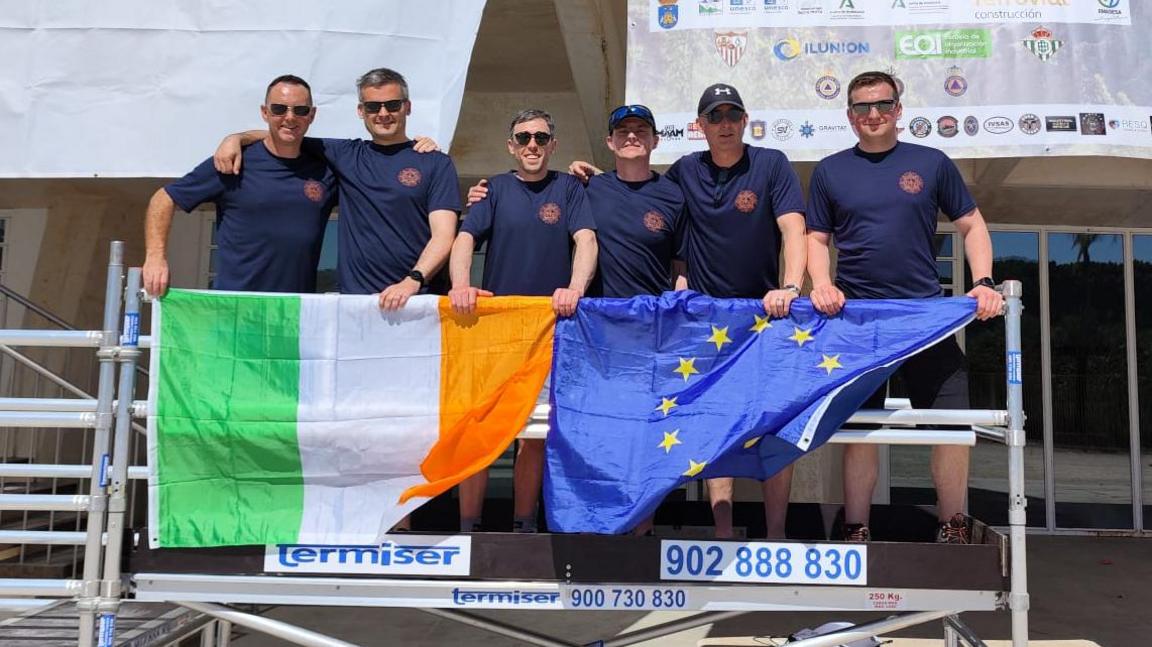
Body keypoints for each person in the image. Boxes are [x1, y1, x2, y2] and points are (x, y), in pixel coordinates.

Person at [574, 84, 806, 540]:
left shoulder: (771, 164)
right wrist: (587, 176)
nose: (724, 124)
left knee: (775, 424)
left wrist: (791, 286)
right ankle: (722, 529)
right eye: (714, 117)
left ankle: (777, 534)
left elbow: (793, 227)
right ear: (699, 126)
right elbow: (637, 189)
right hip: (703, 321)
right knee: (714, 423)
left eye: (731, 115)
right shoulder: (683, 173)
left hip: (766, 319)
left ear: (744, 120)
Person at [805, 70, 1004, 544]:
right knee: (858, 430)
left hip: (924, 319)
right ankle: (856, 527)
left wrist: (983, 282)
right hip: (858, 324)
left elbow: (973, 226)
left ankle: (952, 524)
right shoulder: (830, 171)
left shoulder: (932, 163)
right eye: (861, 107)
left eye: (881, 105)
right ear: (849, 115)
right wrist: (822, 283)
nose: (872, 114)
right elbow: (815, 238)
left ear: (898, 109)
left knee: (952, 427)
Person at [448, 109, 597, 533]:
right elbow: (464, 238)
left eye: (540, 137)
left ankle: (523, 525)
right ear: (511, 145)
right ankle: (468, 528)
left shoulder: (569, 188)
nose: (532, 144)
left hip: (548, 331)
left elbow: (586, 239)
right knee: (479, 430)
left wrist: (576, 288)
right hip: (494, 332)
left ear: (553, 144)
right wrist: (461, 285)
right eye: (523, 137)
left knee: (533, 435)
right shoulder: (492, 189)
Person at [213, 67, 459, 311]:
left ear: (407, 107)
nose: (383, 113)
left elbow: (444, 235)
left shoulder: (435, 162)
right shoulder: (345, 155)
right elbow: (286, 132)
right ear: (361, 111)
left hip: (418, 302)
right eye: (373, 107)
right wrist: (236, 138)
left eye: (392, 105)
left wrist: (412, 281)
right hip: (355, 304)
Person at [143, 75, 336, 297]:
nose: (290, 117)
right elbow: (164, 198)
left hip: (293, 312)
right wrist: (155, 258)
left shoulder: (325, 170)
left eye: (300, 110)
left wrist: (240, 136)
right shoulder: (234, 162)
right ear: (265, 112)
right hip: (234, 310)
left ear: (312, 115)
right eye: (279, 109)